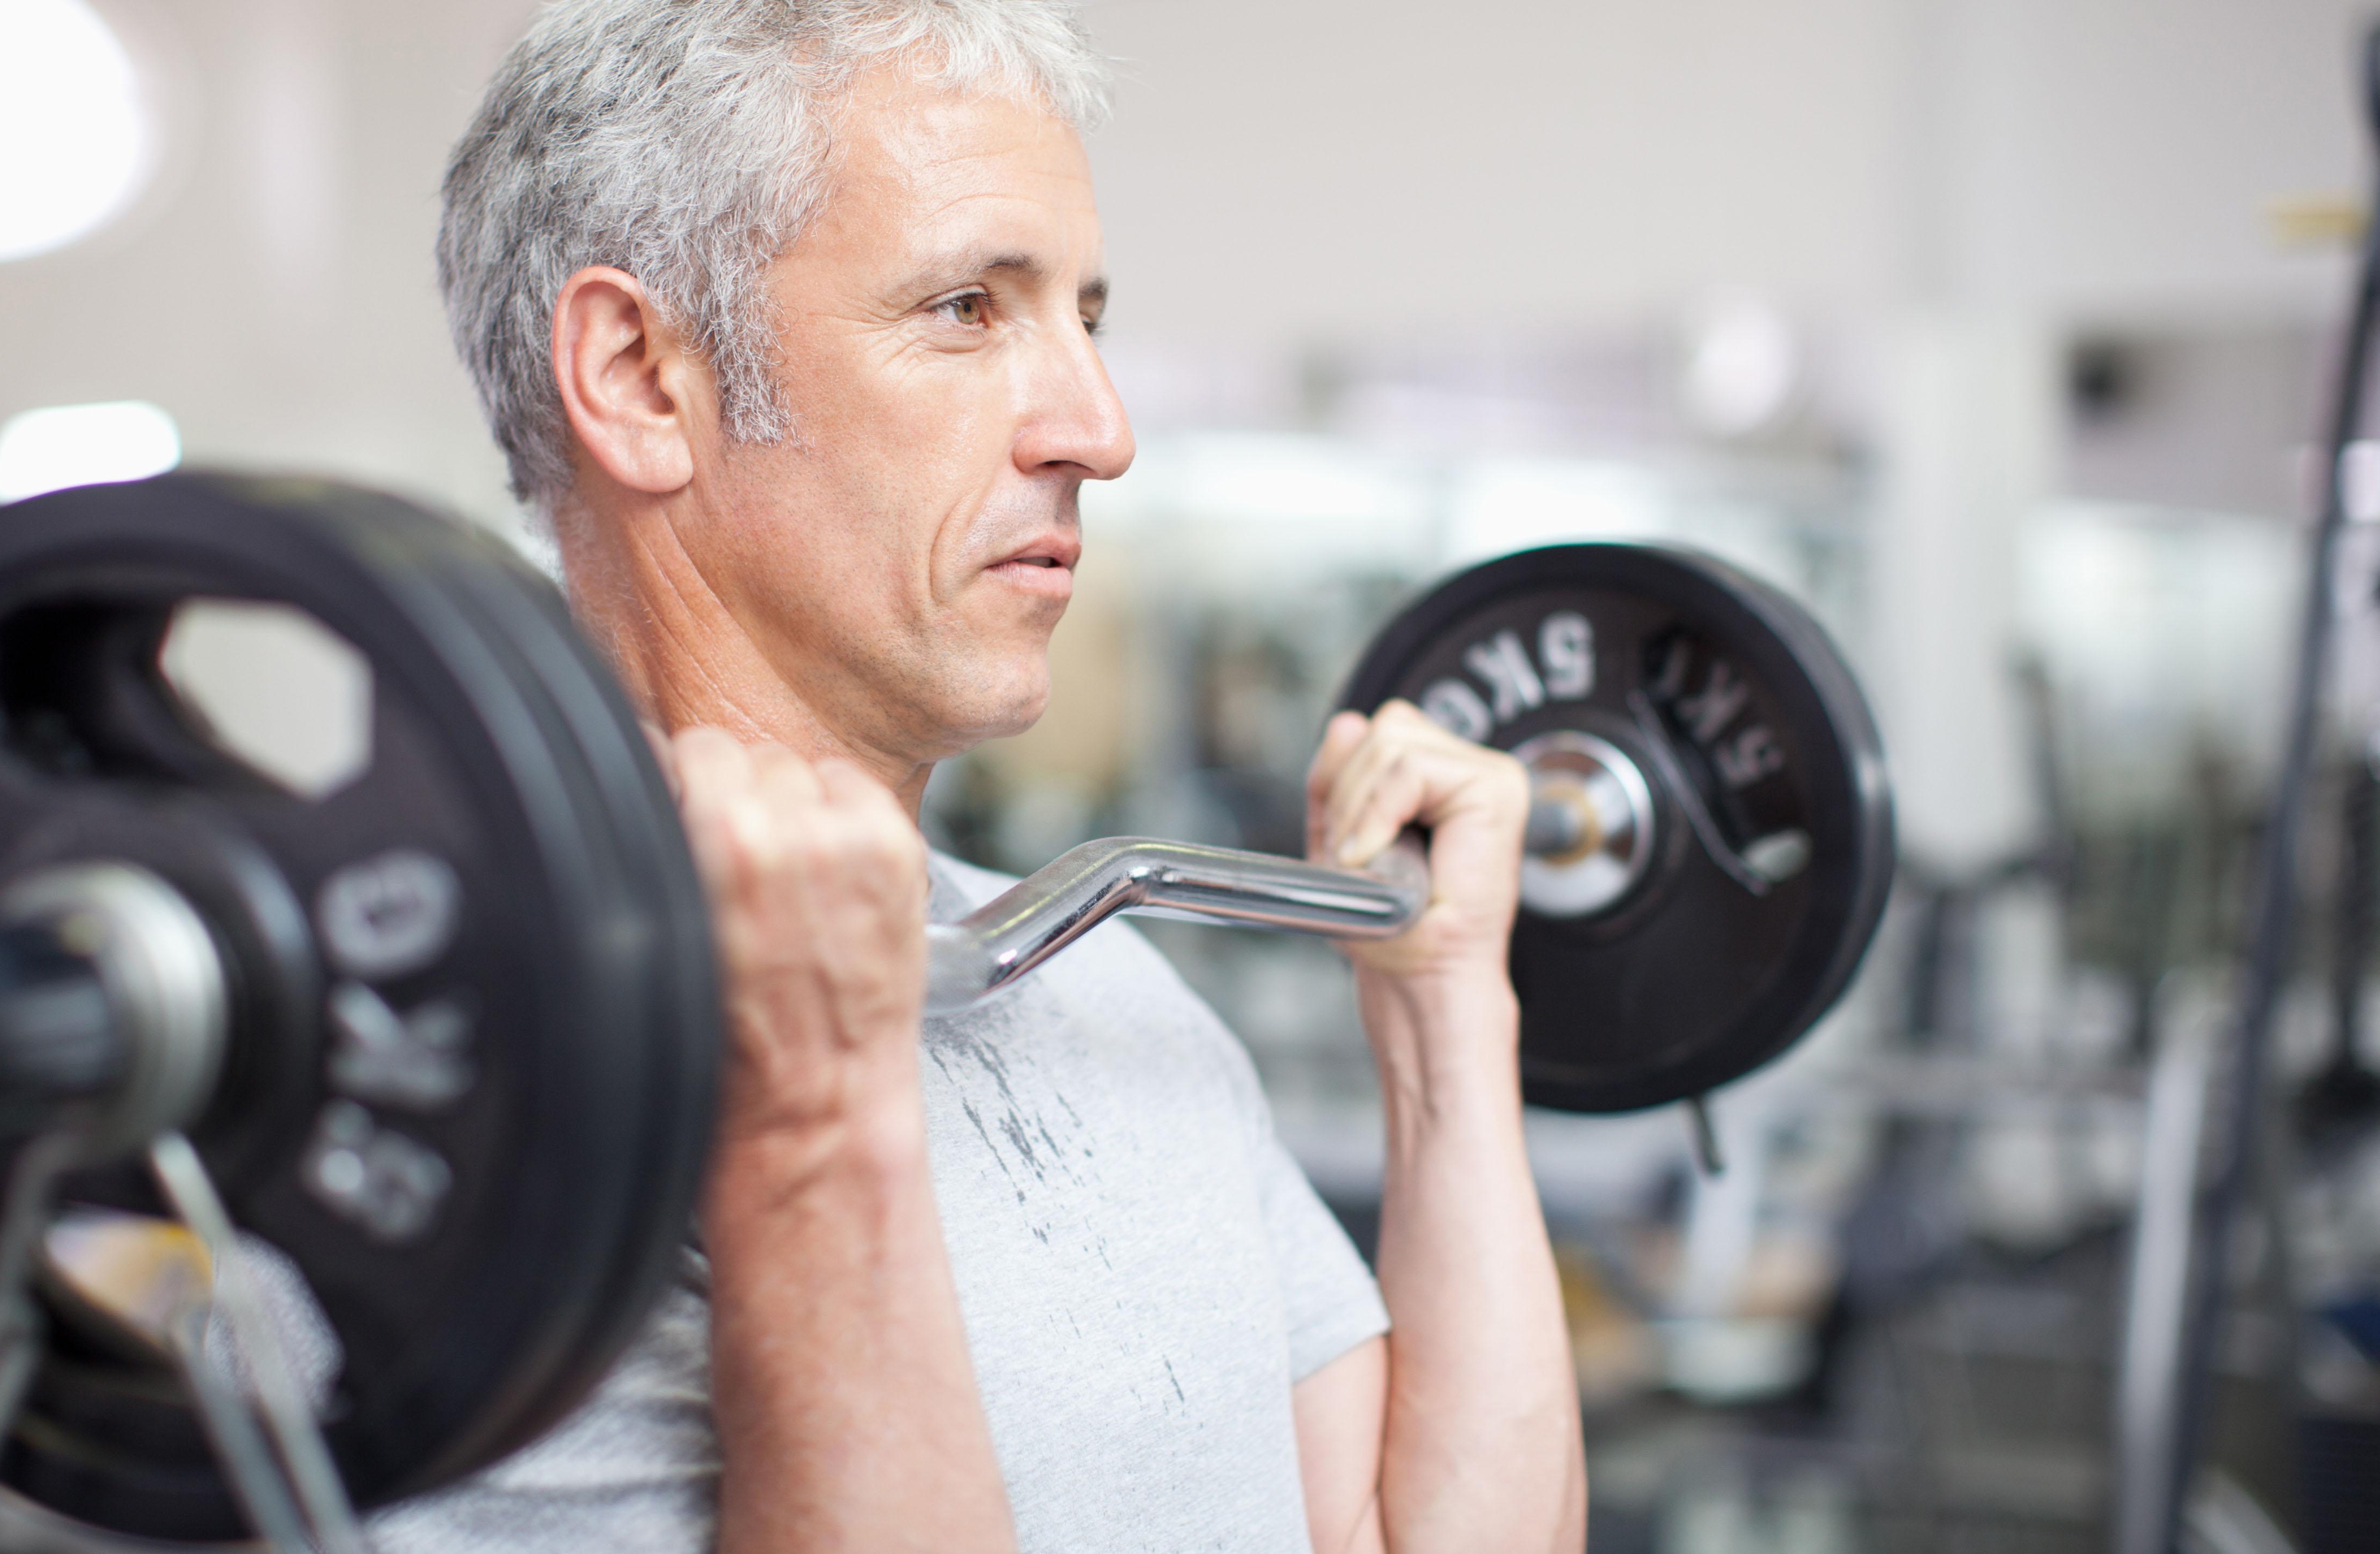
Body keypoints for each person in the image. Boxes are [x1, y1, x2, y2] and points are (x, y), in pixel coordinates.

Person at [395, 2, 1584, 1549]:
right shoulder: (441, 1102)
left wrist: (1443, 1023)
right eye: (966, 308)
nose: (1100, 429)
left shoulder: (1099, 983)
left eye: (1083, 317)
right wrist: (807, 1128)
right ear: (635, 374)